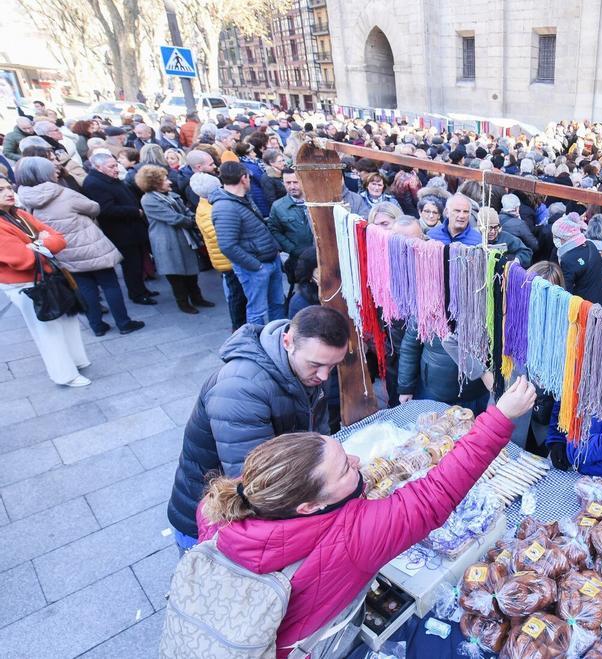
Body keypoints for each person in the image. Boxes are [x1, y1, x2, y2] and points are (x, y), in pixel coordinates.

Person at [191, 378, 535, 655]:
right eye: (343, 469)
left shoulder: (223, 505)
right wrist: (500, 418)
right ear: (308, 507)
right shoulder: (352, 538)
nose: (356, 462)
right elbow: (435, 494)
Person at [167, 305, 351, 550]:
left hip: (249, 509)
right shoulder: (240, 388)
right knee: (203, 585)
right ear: (288, 342)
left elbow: (316, 439)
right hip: (210, 520)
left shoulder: (307, 370)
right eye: (316, 364)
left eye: (333, 366)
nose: (325, 376)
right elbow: (255, 481)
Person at [15, 157, 143, 337]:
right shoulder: (63, 193)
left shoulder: (26, 199)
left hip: (63, 250)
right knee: (109, 284)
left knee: (85, 288)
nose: (56, 171)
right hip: (90, 246)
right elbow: (94, 208)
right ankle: (124, 323)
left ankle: (97, 326)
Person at [0, 176, 91, 386]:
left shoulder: (20, 214)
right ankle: (64, 374)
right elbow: (23, 259)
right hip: (24, 285)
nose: (8, 192)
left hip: (47, 277)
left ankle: (75, 360)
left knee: (67, 320)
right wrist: (41, 242)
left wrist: (37, 244)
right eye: (1, 190)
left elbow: (59, 239)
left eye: (8, 188)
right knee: (47, 330)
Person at [212, 161, 285, 325]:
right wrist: (256, 266)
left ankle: (278, 338)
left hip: (269, 260)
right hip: (256, 268)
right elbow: (227, 245)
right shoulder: (225, 207)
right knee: (257, 311)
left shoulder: (243, 198)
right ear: (244, 178)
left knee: (277, 304)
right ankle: (256, 345)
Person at [81, 150, 157, 304]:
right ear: (98, 167)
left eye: (116, 165)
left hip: (132, 228)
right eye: (111, 166)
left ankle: (141, 289)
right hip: (123, 232)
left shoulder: (108, 178)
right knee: (131, 264)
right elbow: (106, 209)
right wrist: (135, 211)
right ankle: (137, 294)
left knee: (138, 262)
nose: (116, 169)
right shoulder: (94, 183)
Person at [136, 165, 212, 314]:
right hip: (167, 241)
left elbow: (186, 212)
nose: (169, 182)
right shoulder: (148, 200)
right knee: (175, 274)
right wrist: (193, 222)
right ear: (154, 183)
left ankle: (197, 298)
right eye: (164, 180)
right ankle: (183, 302)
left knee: (191, 270)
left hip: (183, 238)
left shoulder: (171, 195)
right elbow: (173, 218)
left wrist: (192, 218)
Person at [192, 172, 247, 331]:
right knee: (236, 295)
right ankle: (238, 328)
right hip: (227, 261)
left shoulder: (209, 206)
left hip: (227, 258)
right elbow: (222, 235)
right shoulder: (207, 211)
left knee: (238, 294)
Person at [552, 212, 602, 306]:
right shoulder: (590, 244)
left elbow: (566, 293)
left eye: (556, 236)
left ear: (565, 236)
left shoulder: (567, 260)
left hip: (586, 308)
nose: (554, 239)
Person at [266, 167, 313, 268]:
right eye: (288, 183)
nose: (292, 187)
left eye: (296, 182)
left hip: (320, 256)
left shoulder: (315, 202)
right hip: (297, 259)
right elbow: (274, 230)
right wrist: (292, 249)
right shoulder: (278, 207)